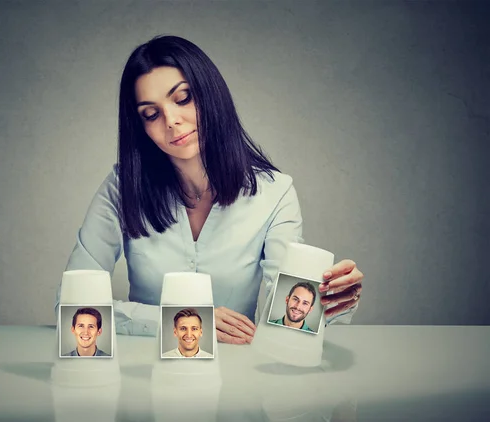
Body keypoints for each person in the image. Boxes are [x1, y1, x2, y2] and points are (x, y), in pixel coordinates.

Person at [58, 35, 364, 345]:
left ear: (210, 95)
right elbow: (71, 307)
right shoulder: (122, 188)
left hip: (239, 377)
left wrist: (334, 298)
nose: (172, 121)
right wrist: (181, 319)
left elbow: (284, 308)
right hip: (145, 375)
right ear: (141, 127)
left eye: (183, 98)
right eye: (151, 114)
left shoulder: (275, 192)